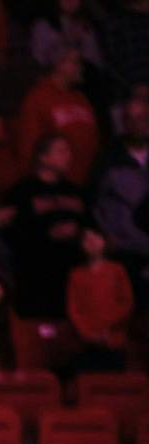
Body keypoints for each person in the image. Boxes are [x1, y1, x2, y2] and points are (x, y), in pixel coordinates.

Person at [0, 134, 89, 369]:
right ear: (43, 157)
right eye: (61, 151)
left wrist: (78, 235)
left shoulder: (76, 193)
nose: (68, 156)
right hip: (34, 279)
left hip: (71, 280)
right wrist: (47, 235)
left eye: (68, 151)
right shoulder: (21, 192)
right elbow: (10, 234)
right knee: (34, 348)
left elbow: (92, 229)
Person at [92, 92, 149, 303]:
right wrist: (105, 235)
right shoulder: (109, 160)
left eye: (143, 118)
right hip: (126, 248)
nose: (139, 125)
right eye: (132, 119)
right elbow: (94, 204)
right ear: (124, 123)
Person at [17, 49, 102, 185]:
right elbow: (29, 147)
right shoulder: (38, 98)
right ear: (59, 64)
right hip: (55, 187)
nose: (80, 68)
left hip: (87, 183)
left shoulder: (81, 98)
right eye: (75, 63)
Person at [68, 226, 134, 371]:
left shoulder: (117, 270)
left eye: (95, 237)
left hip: (114, 339)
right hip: (85, 342)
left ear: (104, 241)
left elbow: (127, 303)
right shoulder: (76, 275)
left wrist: (106, 329)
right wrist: (88, 334)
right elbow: (74, 309)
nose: (91, 241)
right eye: (86, 238)